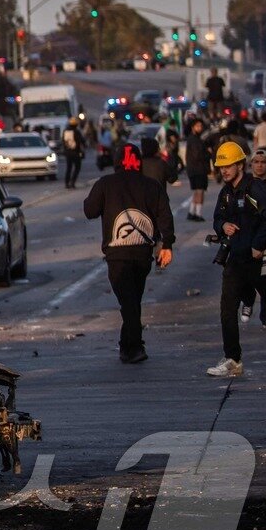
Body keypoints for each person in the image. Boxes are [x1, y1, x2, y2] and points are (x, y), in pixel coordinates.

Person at [82, 142, 175, 364]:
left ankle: (133, 348)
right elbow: (165, 216)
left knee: (129, 302)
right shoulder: (151, 185)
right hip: (143, 253)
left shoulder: (105, 184)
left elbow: (89, 210)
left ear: (116, 162)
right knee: (133, 300)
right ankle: (129, 346)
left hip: (117, 254)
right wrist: (167, 245)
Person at [206, 142, 266, 378]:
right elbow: (217, 218)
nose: (224, 170)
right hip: (235, 261)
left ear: (240, 165)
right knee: (227, 310)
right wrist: (223, 225)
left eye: (228, 166)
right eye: (221, 166)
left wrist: (258, 244)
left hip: (257, 260)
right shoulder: (226, 193)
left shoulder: (255, 189)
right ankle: (232, 359)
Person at [240, 149, 266, 329]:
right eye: (256, 161)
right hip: (247, 236)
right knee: (244, 275)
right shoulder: (244, 185)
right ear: (250, 164)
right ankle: (248, 300)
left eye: (263, 162)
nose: (259, 165)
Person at [185, 118, 212, 222]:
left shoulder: (192, 139)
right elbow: (198, 155)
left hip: (193, 169)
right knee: (200, 191)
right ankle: (198, 214)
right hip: (199, 169)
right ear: (193, 127)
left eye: (201, 126)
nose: (200, 128)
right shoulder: (195, 140)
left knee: (197, 191)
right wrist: (208, 153)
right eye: (198, 126)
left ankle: (191, 212)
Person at [61, 117, 85, 189]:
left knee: (69, 168)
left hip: (67, 152)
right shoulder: (76, 131)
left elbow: (63, 141)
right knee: (77, 167)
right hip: (75, 152)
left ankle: (66, 183)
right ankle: (72, 182)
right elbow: (82, 141)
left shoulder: (65, 131)